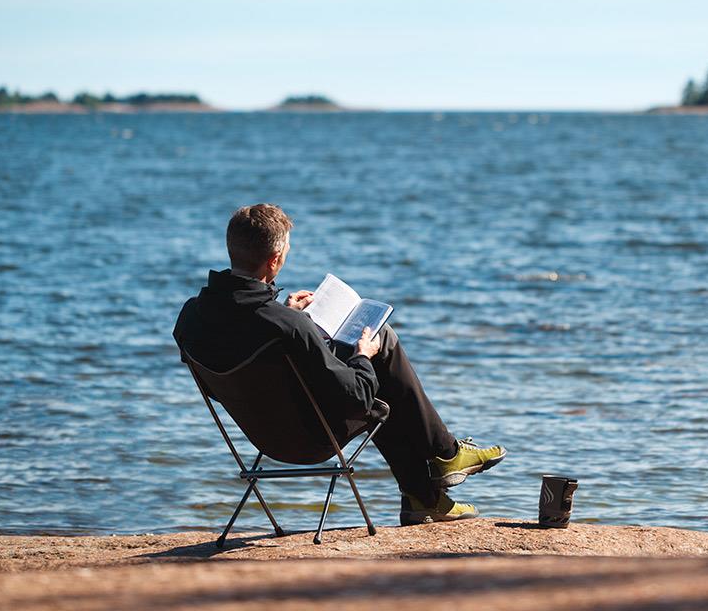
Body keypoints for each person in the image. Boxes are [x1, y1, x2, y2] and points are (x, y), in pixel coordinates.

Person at [173, 203, 505, 525]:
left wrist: (287, 315)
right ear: (274, 261)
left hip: (264, 434)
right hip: (310, 439)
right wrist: (362, 354)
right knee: (381, 344)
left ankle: (428, 493)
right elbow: (358, 398)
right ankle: (442, 460)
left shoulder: (190, 317)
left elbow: (221, 382)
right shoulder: (287, 326)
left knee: (366, 361)